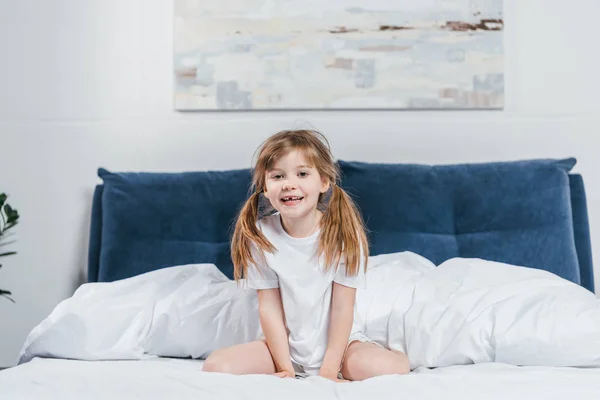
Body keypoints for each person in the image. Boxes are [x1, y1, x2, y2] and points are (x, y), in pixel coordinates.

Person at [203, 129, 409, 381]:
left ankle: (395, 354)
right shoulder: (261, 234)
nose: (289, 183)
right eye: (277, 176)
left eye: (302, 174)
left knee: (380, 368)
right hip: (282, 349)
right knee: (216, 365)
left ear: (323, 182)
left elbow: (342, 308)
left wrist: (329, 370)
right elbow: (269, 307)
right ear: (266, 189)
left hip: (339, 348)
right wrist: (285, 368)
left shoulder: (342, 233)